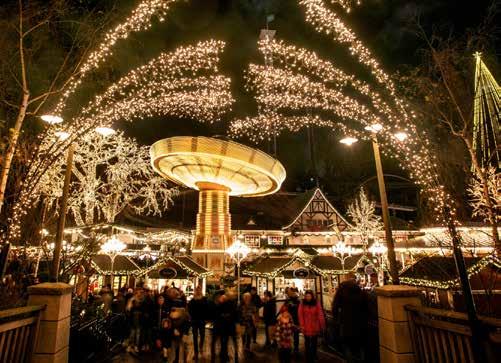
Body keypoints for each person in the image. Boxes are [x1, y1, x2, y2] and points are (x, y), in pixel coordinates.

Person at [332, 273, 369, 363]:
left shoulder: (341, 291)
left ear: (345, 279)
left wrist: (336, 319)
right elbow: (367, 307)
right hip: (360, 323)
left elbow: (335, 307)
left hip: (346, 323)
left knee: (347, 345)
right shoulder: (361, 291)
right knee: (360, 345)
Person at [298, 290, 325, 363]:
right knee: (307, 342)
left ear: (312, 296)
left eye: (309, 296)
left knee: (314, 342)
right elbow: (300, 314)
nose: (308, 297)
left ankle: (314, 355)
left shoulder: (316, 302)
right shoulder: (302, 303)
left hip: (314, 325)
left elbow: (320, 313)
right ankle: (308, 356)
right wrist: (302, 325)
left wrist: (322, 324)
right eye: (306, 296)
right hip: (306, 326)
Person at [211, 293, 239, 363]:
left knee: (219, 341)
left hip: (221, 326)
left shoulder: (220, 305)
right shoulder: (232, 305)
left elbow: (216, 314)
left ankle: (218, 355)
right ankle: (228, 355)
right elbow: (235, 315)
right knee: (226, 341)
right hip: (229, 326)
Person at [188, 285, 209, 359]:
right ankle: (196, 353)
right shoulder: (192, 300)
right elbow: (189, 309)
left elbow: (207, 309)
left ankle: (200, 346)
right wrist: (190, 317)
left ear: (201, 291)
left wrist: (206, 318)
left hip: (202, 320)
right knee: (195, 337)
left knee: (202, 335)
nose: (198, 291)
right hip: (194, 320)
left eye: (199, 290)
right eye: (197, 290)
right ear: (196, 291)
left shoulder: (204, 299)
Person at [284, 287, 300, 354]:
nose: (288, 293)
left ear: (292, 292)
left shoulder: (298, 299)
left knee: (296, 334)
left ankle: (296, 348)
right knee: (288, 333)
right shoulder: (288, 299)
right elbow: (285, 308)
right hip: (288, 319)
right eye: (287, 292)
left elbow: (299, 309)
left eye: (289, 291)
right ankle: (289, 347)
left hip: (296, 319)